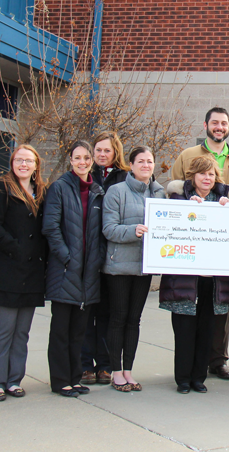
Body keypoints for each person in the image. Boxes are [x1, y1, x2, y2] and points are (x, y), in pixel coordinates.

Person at [171, 107, 229, 381]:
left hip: (224, 248)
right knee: (190, 311)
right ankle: (189, 367)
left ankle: (218, 360)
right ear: (206, 124)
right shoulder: (188, 155)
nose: (219, 127)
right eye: (215, 123)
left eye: (224, 123)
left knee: (220, 309)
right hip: (191, 252)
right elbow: (171, 191)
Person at [0, 145, 48, 401]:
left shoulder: (42, 191)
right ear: (12, 162)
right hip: (6, 270)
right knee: (3, 330)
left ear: (36, 165)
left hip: (31, 273)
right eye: (19, 160)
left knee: (22, 332)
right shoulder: (0, 188)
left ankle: (14, 380)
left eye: (29, 160)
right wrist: (16, 248)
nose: (24, 164)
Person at [161, 156, 229, 393]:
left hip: (213, 283)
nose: (207, 178)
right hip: (186, 281)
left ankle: (198, 377)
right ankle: (183, 379)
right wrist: (185, 209)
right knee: (185, 331)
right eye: (202, 174)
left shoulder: (225, 202)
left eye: (212, 174)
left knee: (207, 330)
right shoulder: (179, 199)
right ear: (192, 176)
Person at [42, 141, 105, 397]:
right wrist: (67, 258)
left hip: (89, 272)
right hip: (65, 270)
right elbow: (50, 228)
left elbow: (101, 233)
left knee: (79, 331)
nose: (82, 162)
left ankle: (75, 377)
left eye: (86, 158)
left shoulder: (97, 191)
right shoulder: (59, 188)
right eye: (77, 158)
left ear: (91, 161)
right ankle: (60, 381)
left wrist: (97, 259)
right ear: (70, 160)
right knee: (61, 330)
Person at [101, 146, 165, 392]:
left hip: (144, 267)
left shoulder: (158, 193)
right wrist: (133, 231)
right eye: (141, 161)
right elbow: (108, 229)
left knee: (134, 320)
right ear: (131, 164)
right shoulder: (116, 191)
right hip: (119, 267)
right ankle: (115, 371)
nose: (146, 165)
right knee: (118, 318)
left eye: (150, 161)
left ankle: (128, 370)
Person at [80, 132, 130, 386]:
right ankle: (85, 365)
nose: (101, 155)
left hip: (115, 253)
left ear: (115, 152)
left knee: (109, 315)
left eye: (106, 151)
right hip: (89, 252)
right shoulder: (86, 176)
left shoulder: (124, 177)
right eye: (97, 150)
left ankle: (106, 365)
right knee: (88, 311)